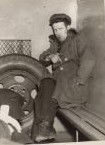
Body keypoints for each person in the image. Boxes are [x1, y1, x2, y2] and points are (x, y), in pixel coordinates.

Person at [31, 13, 95, 142]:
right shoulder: (55, 44)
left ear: (68, 27)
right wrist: (51, 56)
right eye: (55, 30)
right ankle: (44, 129)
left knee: (43, 96)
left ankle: (44, 130)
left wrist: (79, 81)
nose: (57, 32)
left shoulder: (78, 39)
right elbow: (42, 57)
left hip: (73, 88)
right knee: (45, 84)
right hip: (59, 86)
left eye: (60, 29)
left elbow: (89, 60)